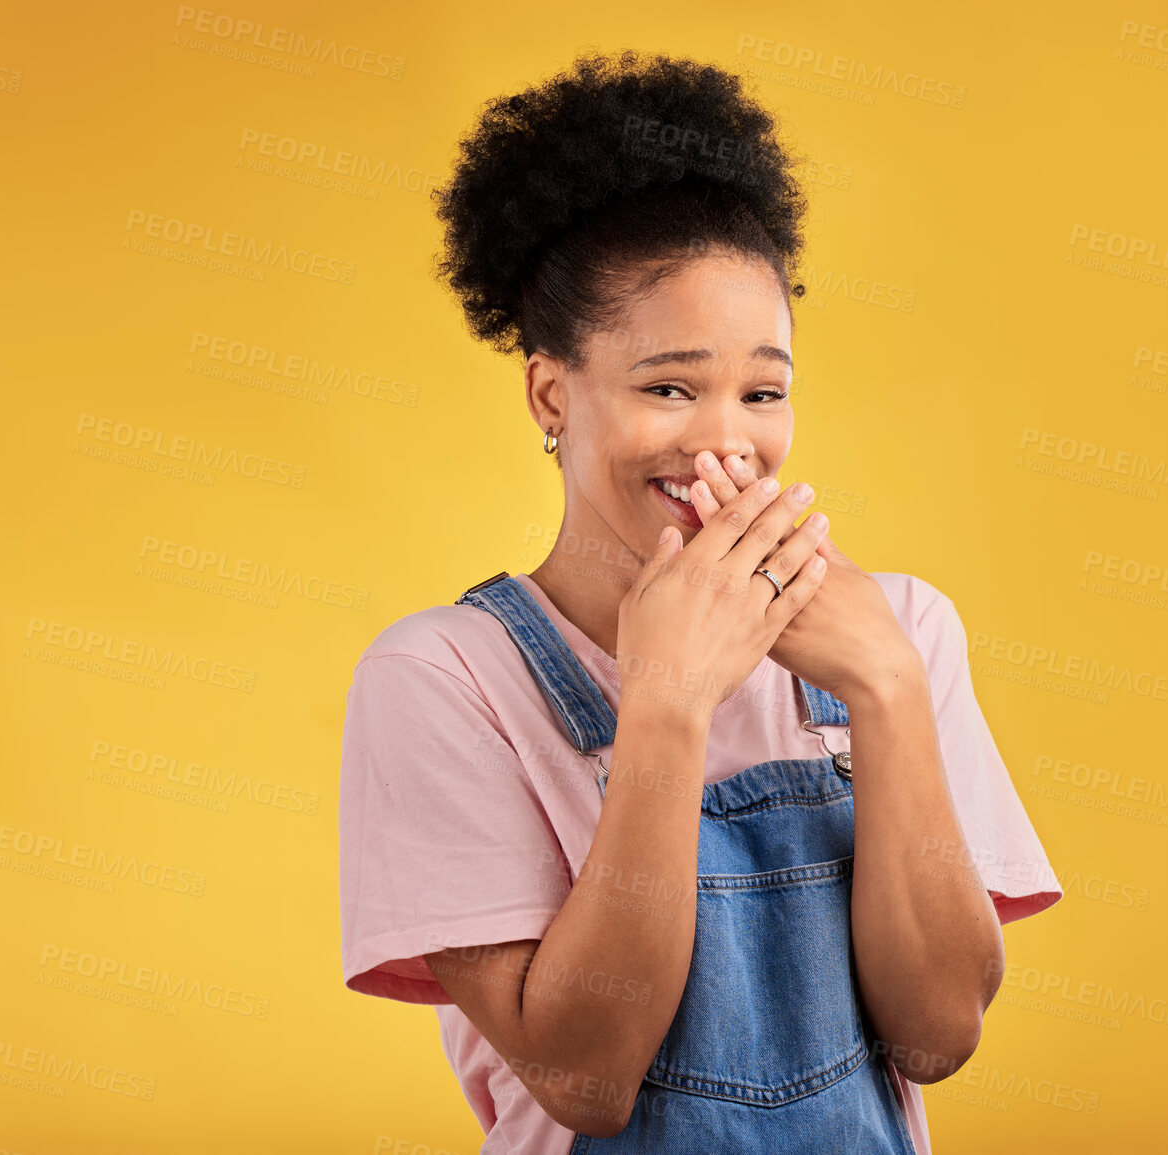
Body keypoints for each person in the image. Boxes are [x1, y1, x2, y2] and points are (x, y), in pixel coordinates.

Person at [339, 49, 1061, 1154]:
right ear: (551, 392)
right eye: (669, 387)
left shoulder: (902, 630)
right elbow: (584, 1077)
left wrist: (887, 691)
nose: (726, 439)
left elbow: (937, 1036)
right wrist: (667, 703)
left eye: (762, 392)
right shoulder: (445, 679)